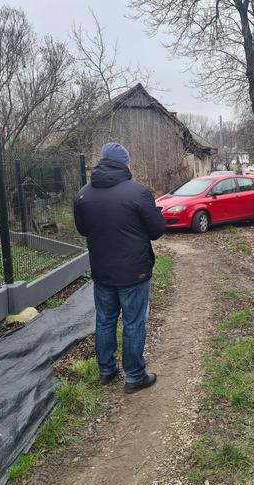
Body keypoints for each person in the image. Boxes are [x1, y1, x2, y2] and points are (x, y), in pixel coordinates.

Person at [74, 143, 166, 394]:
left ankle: (106, 370)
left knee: (105, 320)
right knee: (134, 322)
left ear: (102, 162)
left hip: (102, 271)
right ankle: (135, 376)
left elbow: (82, 230)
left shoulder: (83, 194)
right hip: (134, 272)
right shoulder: (138, 193)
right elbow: (157, 230)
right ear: (126, 164)